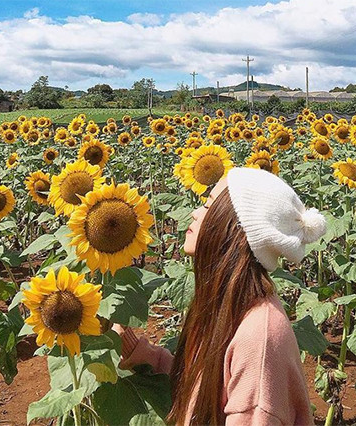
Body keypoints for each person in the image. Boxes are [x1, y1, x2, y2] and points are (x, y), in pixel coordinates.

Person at [112, 167, 327, 425]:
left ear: (235, 227)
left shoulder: (259, 338)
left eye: (207, 205)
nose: (194, 213)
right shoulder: (230, 307)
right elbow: (204, 391)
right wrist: (140, 353)